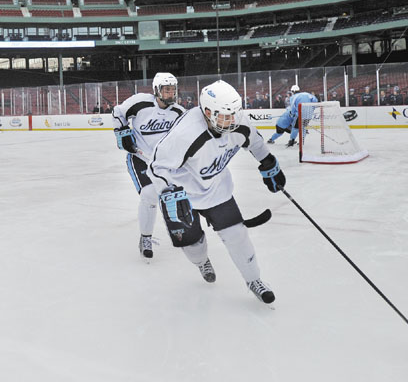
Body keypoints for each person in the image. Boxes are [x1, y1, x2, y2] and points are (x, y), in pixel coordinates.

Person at [149, 80, 286, 305]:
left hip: (217, 190)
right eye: (224, 116)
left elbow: (255, 142)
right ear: (207, 112)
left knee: (238, 236)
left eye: (233, 114)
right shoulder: (186, 134)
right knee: (193, 244)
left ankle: (254, 280)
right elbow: (157, 166)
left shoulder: (237, 120)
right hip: (184, 196)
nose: (231, 121)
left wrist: (268, 163)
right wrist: (168, 192)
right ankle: (201, 261)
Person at [112, 72, 185, 260]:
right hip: (140, 158)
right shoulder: (140, 102)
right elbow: (118, 113)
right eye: (166, 90)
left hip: (164, 162)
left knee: (174, 194)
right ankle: (145, 237)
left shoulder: (178, 112)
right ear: (156, 90)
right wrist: (122, 131)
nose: (170, 94)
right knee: (149, 194)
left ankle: (178, 228)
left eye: (173, 90)